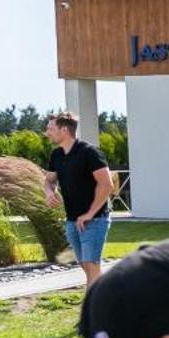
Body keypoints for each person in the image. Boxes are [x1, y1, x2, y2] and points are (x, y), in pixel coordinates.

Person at [44, 111, 115, 285]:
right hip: (72, 221)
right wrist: (49, 192)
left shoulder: (89, 152)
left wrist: (90, 213)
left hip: (95, 220)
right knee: (85, 265)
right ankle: (108, 295)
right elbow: (49, 181)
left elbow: (106, 185)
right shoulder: (57, 155)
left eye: (50, 128)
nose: (47, 132)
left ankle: (93, 308)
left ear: (64, 130)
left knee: (91, 264)